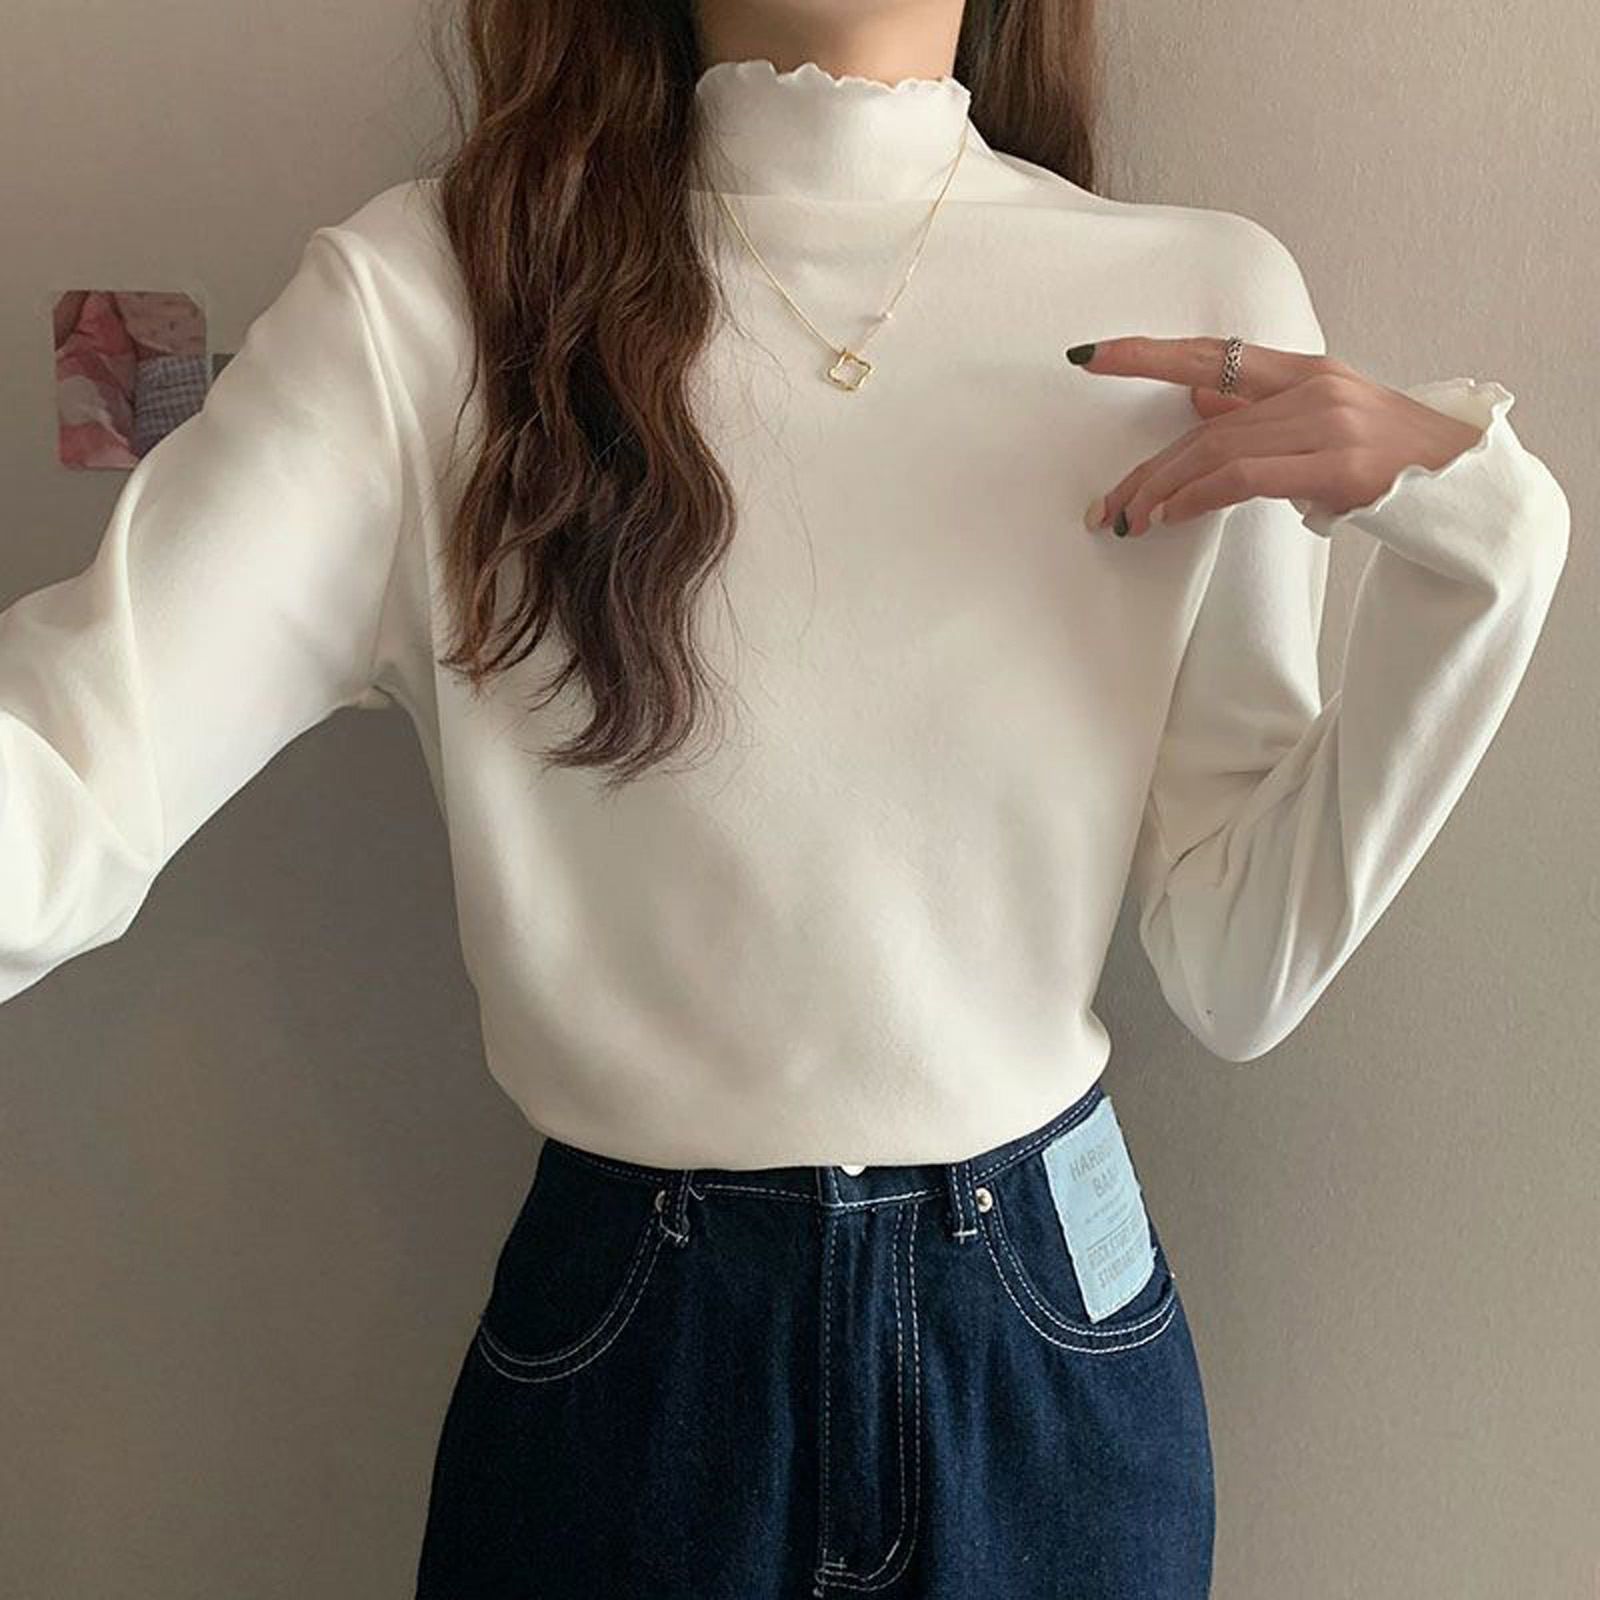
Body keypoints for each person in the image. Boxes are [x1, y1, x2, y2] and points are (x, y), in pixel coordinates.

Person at [0, 2, 1571, 1596]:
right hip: (642, 1365)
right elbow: (66, 767)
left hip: (1048, 1352)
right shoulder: (434, 303)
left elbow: (1240, 964)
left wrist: (1488, 545)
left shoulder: (1198, 302)